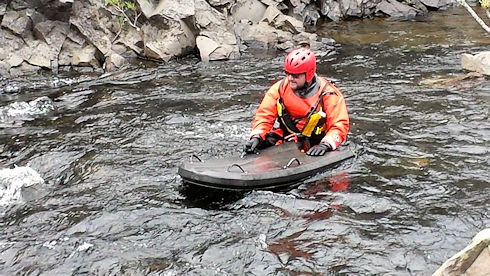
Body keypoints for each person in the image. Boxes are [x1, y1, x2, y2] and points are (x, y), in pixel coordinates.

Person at [243, 48, 349, 156]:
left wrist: (325, 145)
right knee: (261, 142)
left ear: (308, 74)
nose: (290, 78)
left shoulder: (328, 94)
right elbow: (264, 116)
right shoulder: (279, 88)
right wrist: (257, 136)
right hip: (289, 137)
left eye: (295, 76)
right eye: (288, 73)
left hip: (317, 142)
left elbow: (339, 125)